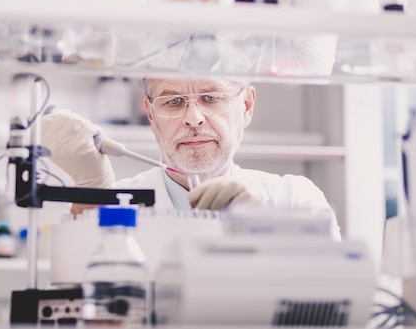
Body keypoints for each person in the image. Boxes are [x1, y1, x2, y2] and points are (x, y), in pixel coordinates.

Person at [41, 77, 341, 239]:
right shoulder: (114, 205)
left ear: (246, 106)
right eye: (173, 101)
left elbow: (333, 311)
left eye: (211, 98)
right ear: (150, 113)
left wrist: (264, 230)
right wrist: (90, 197)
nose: (193, 118)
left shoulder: (295, 200)